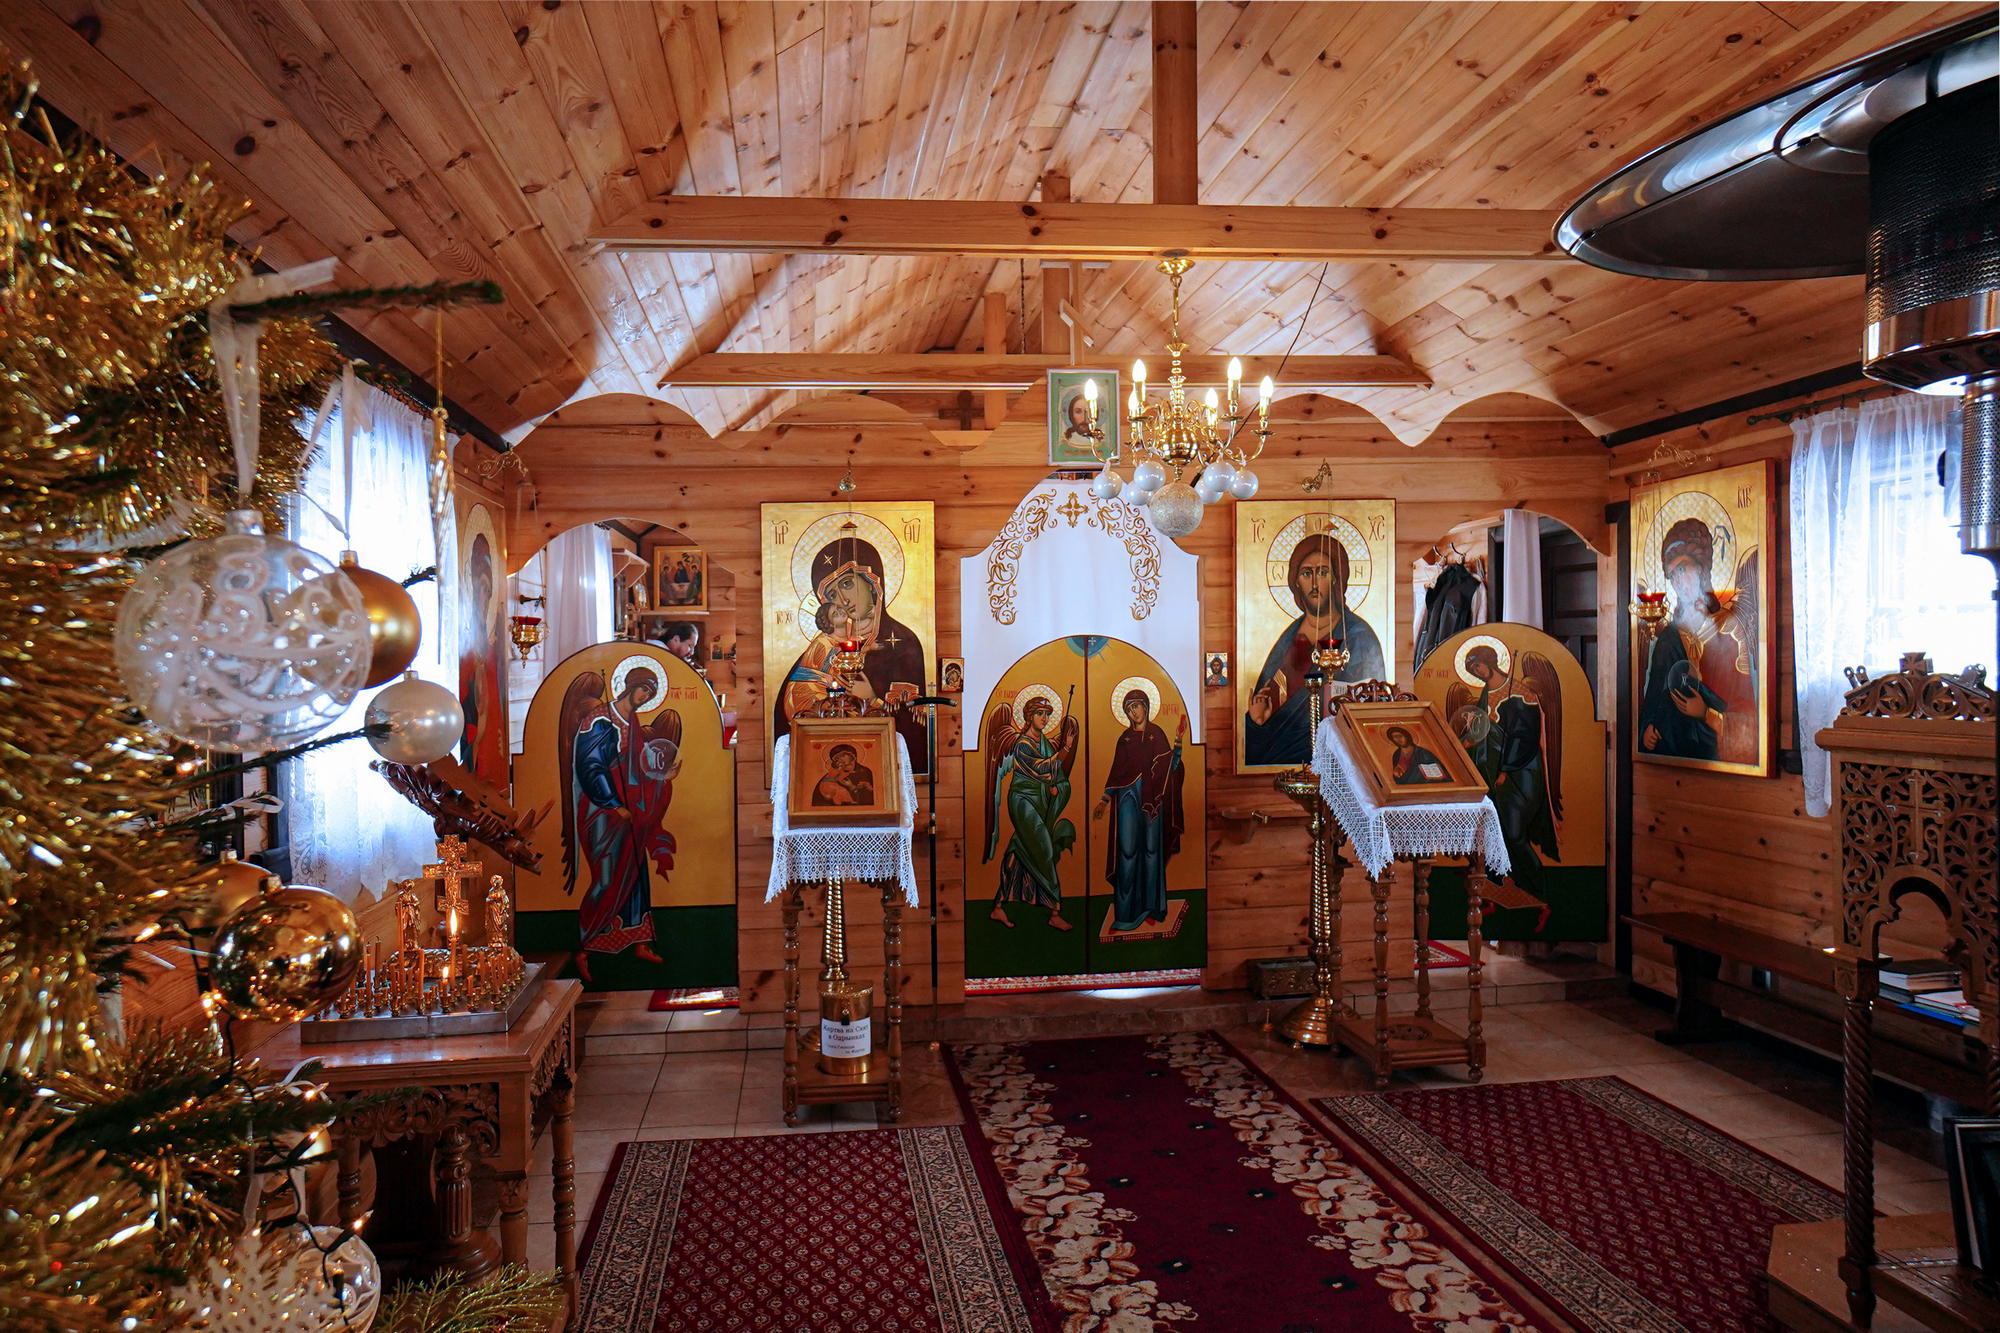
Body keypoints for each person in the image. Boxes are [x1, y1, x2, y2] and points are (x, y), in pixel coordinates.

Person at [557, 665, 678, 982]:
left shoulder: (633, 722)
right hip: (600, 810)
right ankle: (584, 948)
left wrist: (661, 773)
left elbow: (638, 763)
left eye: (650, 694)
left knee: (636, 873)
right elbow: (590, 766)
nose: (644, 697)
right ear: (630, 687)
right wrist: (613, 803)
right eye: (643, 690)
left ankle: (638, 941)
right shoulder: (598, 719)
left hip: (628, 810)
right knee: (607, 877)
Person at [776, 535, 929, 773]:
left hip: (883, 767)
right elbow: (787, 720)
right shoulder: (821, 648)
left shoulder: (904, 644)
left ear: (872, 582)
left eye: (847, 584)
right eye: (833, 595)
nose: (844, 600)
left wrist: (872, 699)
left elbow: (917, 726)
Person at [1243, 533, 1386, 766]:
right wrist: (1257, 722)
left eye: (1323, 572)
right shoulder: (1289, 638)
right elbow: (1265, 710)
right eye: (1306, 573)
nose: (1314, 582)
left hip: (1341, 757)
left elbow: (1370, 709)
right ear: (1296, 581)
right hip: (1279, 762)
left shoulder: (1359, 637)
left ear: (1335, 579)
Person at [1639, 518, 1757, 764]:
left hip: (1713, 754)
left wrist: (1706, 713)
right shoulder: (1670, 638)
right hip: (1673, 758)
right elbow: (1655, 695)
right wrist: (1649, 726)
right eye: (1671, 575)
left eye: (1682, 569)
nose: (1677, 582)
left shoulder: (1730, 631)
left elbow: (1747, 717)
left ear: (1701, 569)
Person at [1453, 645, 1562, 910]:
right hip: (1493, 775)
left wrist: (1506, 769)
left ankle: (1539, 895)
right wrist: (1467, 742)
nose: (1476, 672)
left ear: (1491, 662)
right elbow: (1482, 730)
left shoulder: (1521, 694)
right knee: (1493, 834)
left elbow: (1524, 738)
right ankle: (1497, 891)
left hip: (1521, 773)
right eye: (1471, 670)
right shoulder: (1485, 694)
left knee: (1513, 835)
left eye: (1477, 666)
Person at [984, 694, 1080, 931]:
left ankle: (997, 907)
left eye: (1047, 715)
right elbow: (1042, 768)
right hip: (1023, 802)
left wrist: (1057, 785)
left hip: (1039, 800)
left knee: (1018, 850)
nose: (1044, 719)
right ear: (1029, 716)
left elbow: (1053, 772)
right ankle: (1055, 910)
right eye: (1040, 714)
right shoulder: (1023, 744)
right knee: (1044, 850)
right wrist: (1066, 748)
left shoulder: (1044, 742)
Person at [1094, 689, 1186, 932]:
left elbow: (1170, 767)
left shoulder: (1157, 735)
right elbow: (1116, 773)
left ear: (1146, 707)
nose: (1133, 712)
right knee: (1127, 850)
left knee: (1151, 851)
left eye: (1136, 706)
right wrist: (1104, 801)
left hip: (1153, 801)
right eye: (1128, 708)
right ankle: (1125, 913)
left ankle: (1151, 907)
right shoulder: (1124, 739)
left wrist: (1177, 743)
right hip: (1126, 797)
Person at [457, 532, 507, 785]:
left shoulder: (489, 647)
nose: (485, 598)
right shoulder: (464, 644)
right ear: (472, 588)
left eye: (489, 590)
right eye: (482, 588)